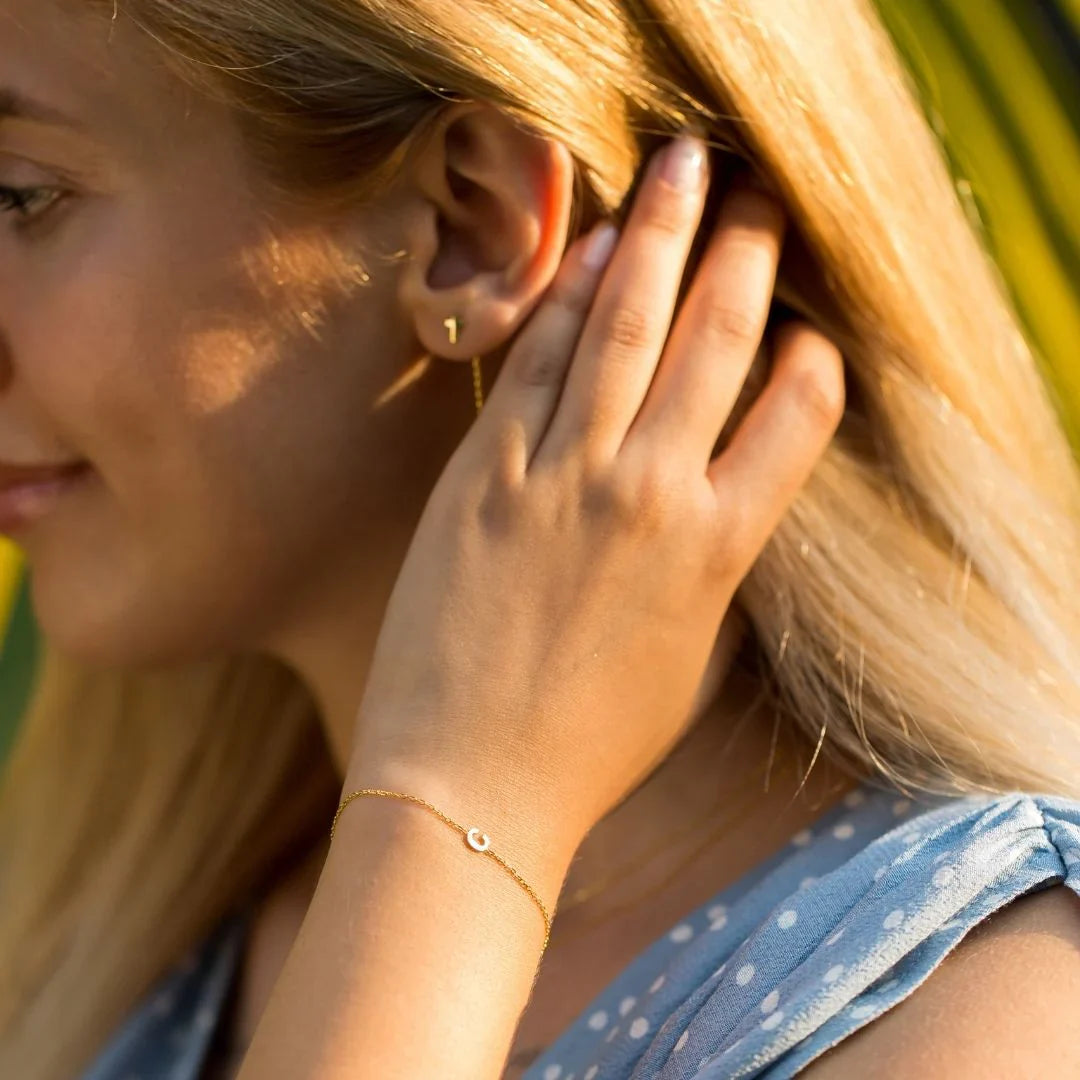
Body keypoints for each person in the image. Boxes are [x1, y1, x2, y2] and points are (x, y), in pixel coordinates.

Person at [1, 0, 1079, 1077]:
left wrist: (456, 813)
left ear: (471, 221)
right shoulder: (139, 946)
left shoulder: (993, 1011)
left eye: (19, 196)